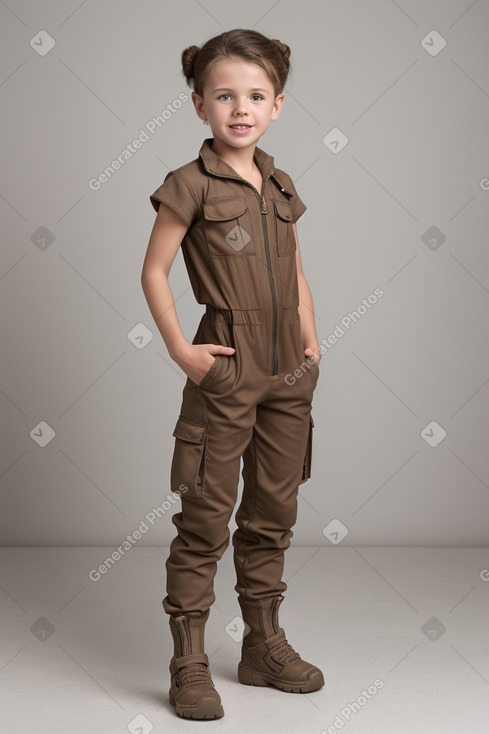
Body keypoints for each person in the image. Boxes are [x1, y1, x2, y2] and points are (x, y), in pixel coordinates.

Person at [140, 28, 324, 720]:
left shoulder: (280, 183)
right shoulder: (187, 185)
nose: (239, 108)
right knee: (205, 517)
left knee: (273, 512)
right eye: (224, 95)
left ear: (276, 105)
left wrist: (310, 340)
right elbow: (153, 271)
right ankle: (187, 661)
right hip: (225, 360)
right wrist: (181, 352)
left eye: (254, 95)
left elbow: (297, 268)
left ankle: (262, 645)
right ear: (199, 106)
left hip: (286, 370)